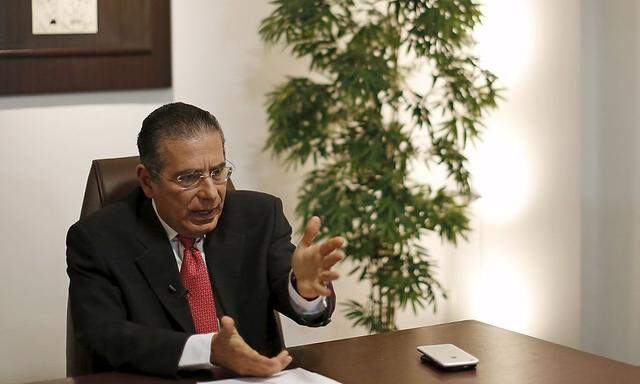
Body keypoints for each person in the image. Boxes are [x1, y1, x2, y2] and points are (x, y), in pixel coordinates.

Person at [66, 102, 344, 377]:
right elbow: (102, 334)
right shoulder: (98, 239)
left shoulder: (259, 217)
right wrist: (207, 349)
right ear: (148, 181)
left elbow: (296, 294)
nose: (211, 193)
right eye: (189, 177)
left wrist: (304, 290)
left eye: (217, 172)